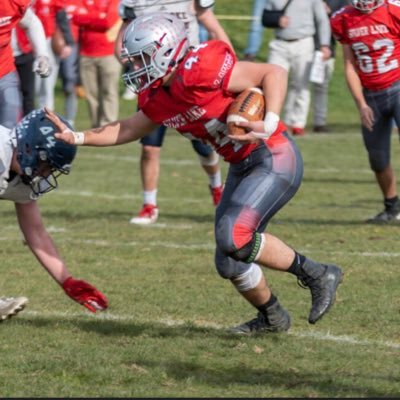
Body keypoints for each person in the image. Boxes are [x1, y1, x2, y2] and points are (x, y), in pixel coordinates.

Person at [48, 13, 343, 333]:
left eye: (141, 58)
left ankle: (317, 273)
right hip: (241, 165)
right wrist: (77, 137)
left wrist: (269, 121)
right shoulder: (159, 95)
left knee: (233, 236)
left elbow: (273, 72)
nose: (136, 67)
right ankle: (272, 317)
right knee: (229, 261)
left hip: (271, 155)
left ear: (164, 51)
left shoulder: (201, 67)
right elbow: (128, 128)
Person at [115, 0, 232, 225]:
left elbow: (214, 28)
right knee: (149, 147)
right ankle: (149, 205)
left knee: (205, 145)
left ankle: (217, 187)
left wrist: (229, 67)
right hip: (154, 85)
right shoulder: (135, 3)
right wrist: (133, 62)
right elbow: (120, 44)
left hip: (191, 82)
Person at [0, 109, 108, 322]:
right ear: (28, 146)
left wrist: (67, 281)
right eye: (46, 164)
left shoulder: (21, 176)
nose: (46, 174)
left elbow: (36, 232)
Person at [331, 0, 400, 223]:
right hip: (371, 96)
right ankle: (392, 208)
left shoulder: (393, 10)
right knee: (377, 159)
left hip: (398, 85)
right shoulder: (343, 18)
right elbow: (349, 64)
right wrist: (361, 103)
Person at [264, 0, 331, 136]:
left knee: (301, 84)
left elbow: (322, 20)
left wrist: (324, 44)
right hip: (279, 43)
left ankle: (298, 123)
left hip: (304, 42)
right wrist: (277, 20)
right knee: (272, 84)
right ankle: (272, 121)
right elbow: (265, 17)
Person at [0, 0, 51, 130]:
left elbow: (31, 23)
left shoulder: (11, 4)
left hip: (4, 71)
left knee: (8, 128)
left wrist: (42, 55)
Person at [72, 0, 122, 127]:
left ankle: (108, 125)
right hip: (86, 53)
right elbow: (76, 18)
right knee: (91, 94)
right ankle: (96, 126)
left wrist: (89, 19)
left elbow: (108, 21)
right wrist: (99, 18)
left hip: (109, 53)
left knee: (109, 92)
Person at [312, 0, 349, 133]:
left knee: (322, 85)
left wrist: (330, 12)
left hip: (327, 47)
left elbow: (347, 18)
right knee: (298, 86)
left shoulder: (340, 1)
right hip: (304, 43)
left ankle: (319, 122)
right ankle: (293, 123)